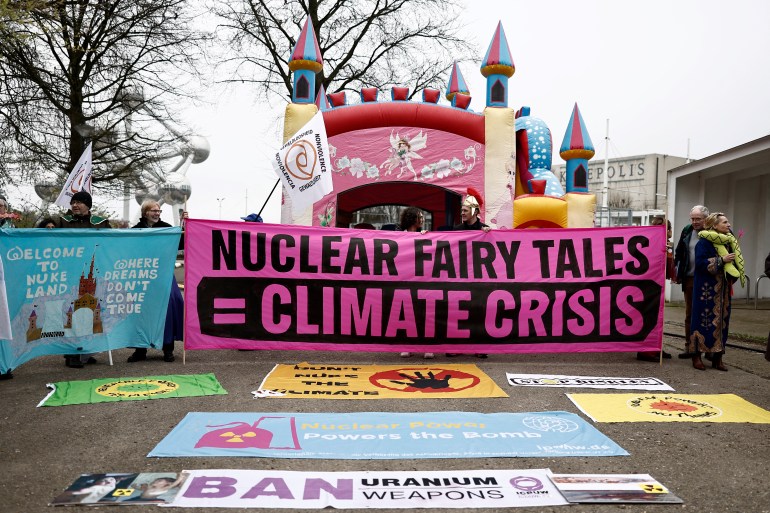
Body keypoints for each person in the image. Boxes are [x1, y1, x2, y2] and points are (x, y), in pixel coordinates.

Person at [56, 191, 110, 368]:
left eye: (79, 202)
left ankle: (86, 351)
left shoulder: (101, 223)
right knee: (72, 314)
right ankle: (72, 353)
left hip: (93, 274)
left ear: (88, 205)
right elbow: (46, 229)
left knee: (92, 312)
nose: (75, 206)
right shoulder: (62, 222)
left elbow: (112, 243)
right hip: (71, 275)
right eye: (73, 203)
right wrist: (47, 225)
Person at [126, 200, 184, 363]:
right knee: (141, 311)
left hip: (163, 274)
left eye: (159, 211)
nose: (157, 213)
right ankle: (140, 349)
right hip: (142, 275)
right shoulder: (135, 231)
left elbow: (182, 243)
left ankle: (168, 348)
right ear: (145, 213)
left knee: (170, 305)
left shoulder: (167, 228)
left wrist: (185, 225)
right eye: (154, 211)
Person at [689, 212, 745, 371]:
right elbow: (699, 263)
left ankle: (717, 357)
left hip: (724, 290)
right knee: (702, 321)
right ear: (714, 225)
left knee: (723, 323)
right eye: (725, 222)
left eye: (728, 222)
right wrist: (721, 260)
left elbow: (734, 261)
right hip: (706, 291)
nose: (728, 225)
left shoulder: (730, 241)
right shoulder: (704, 243)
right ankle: (696, 356)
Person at [448, 189, 489, 358]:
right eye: (462, 210)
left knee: (478, 311)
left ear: (475, 211)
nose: (462, 213)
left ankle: (479, 347)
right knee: (458, 311)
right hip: (460, 276)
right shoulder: (457, 230)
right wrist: (424, 235)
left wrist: (489, 235)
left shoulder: (485, 230)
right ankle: (456, 346)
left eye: (465, 210)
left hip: (479, 277)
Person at [673, 205, 708, 359]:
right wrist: (677, 270)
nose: (694, 222)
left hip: (708, 279)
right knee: (690, 314)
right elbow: (680, 251)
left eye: (698, 219)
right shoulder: (687, 230)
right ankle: (689, 346)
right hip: (690, 278)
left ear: (706, 219)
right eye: (692, 219)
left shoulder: (714, 232)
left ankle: (708, 347)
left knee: (707, 313)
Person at [397, 207, 433, 359]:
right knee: (406, 314)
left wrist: (425, 237)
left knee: (424, 313)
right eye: (420, 216)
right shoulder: (399, 236)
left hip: (421, 279)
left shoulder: (424, 235)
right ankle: (407, 346)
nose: (422, 219)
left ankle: (427, 347)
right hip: (405, 278)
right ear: (413, 219)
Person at [637, 216, 673, 361]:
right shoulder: (653, 244)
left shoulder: (663, 244)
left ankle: (656, 348)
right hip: (650, 286)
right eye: (669, 230)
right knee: (650, 317)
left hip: (655, 285)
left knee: (658, 319)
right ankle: (646, 351)